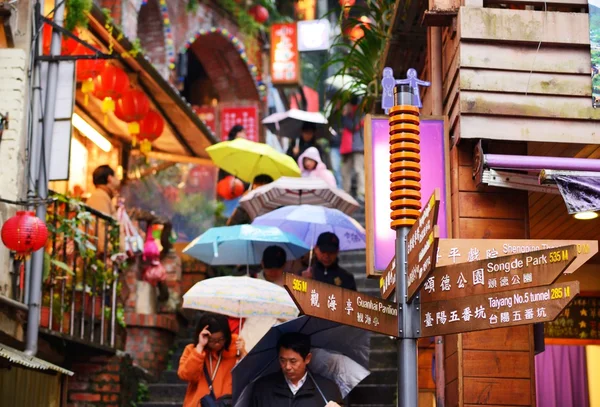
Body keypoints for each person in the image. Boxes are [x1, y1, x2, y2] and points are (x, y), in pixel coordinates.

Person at [250, 332, 343, 406]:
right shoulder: (262, 388)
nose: (287, 367)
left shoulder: (328, 389)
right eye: (282, 360)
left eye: (293, 361)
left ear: (307, 359)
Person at [178, 312, 246, 407]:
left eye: (221, 339)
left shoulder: (235, 349)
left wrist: (243, 353)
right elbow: (186, 376)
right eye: (212, 340)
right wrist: (200, 348)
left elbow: (248, 375)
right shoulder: (192, 350)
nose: (217, 343)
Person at [341, 97, 365, 202]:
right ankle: (348, 192)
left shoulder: (358, 114)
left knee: (358, 169)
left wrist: (344, 116)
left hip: (358, 146)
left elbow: (353, 126)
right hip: (349, 147)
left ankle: (361, 192)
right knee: (346, 171)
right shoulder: (353, 114)